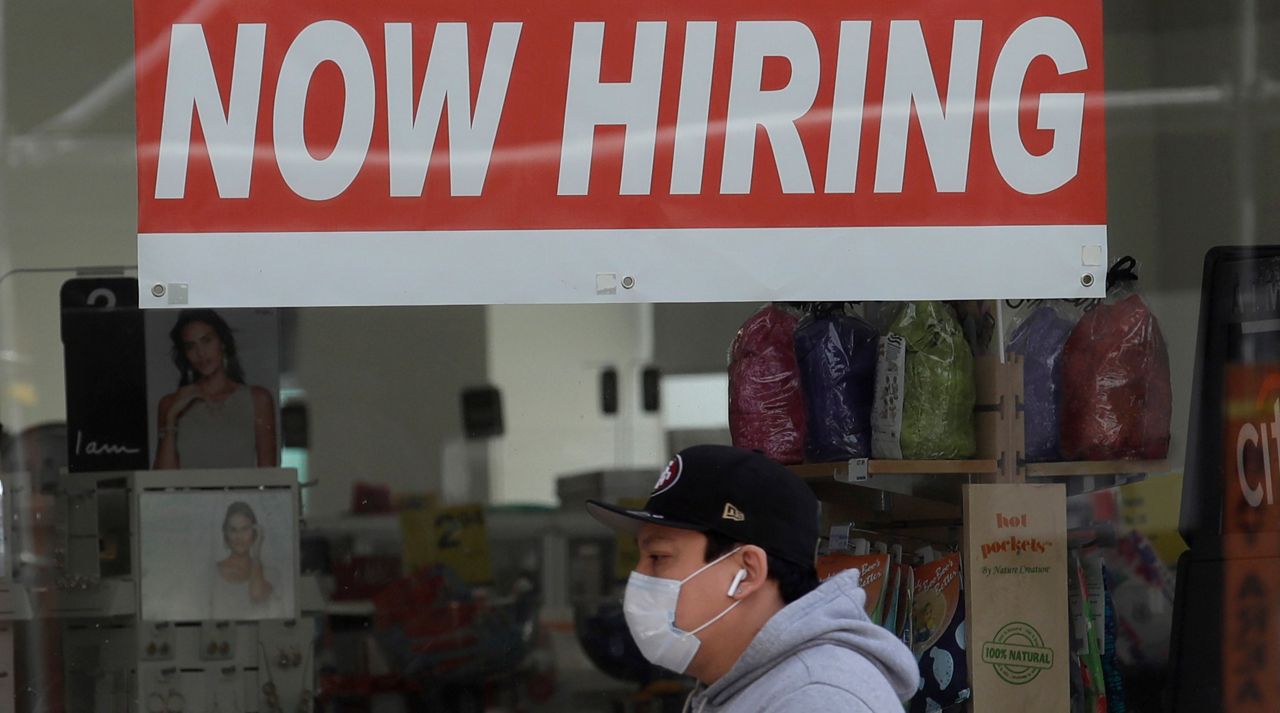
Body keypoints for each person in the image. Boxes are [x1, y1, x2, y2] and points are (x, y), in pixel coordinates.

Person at [587, 445, 917, 712]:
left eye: (658, 557)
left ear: (747, 572)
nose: (638, 577)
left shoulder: (815, 699)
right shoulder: (742, 687)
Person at [153, 309, 277, 469]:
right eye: (191, 346)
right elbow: (162, 483)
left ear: (222, 342)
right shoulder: (170, 403)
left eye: (206, 341)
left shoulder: (258, 399)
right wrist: (171, 418)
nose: (201, 353)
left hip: (243, 494)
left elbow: (269, 476)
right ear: (185, 353)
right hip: (187, 494)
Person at [212, 501, 285, 619]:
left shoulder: (271, 574)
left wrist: (256, 554)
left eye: (244, 529)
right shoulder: (212, 573)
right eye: (233, 530)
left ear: (255, 533)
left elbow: (257, 595)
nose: (239, 537)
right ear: (226, 534)